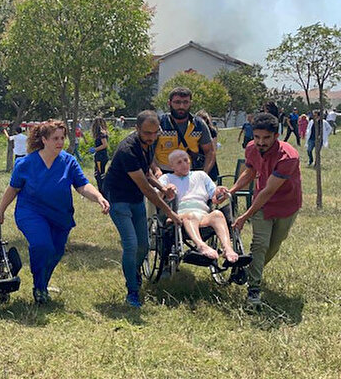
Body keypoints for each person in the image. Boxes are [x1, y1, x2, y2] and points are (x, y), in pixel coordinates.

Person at [0, 120, 109, 304]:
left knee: (55, 252)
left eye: (62, 138)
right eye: (55, 138)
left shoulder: (68, 161)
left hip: (60, 215)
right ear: (44, 140)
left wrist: (99, 197)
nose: (60, 142)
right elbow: (13, 189)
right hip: (31, 213)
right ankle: (39, 287)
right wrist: (0, 211)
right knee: (42, 245)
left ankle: (42, 284)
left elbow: (82, 185)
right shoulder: (25, 163)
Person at [104, 110, 181, 308]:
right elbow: (145, 188)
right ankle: (132, 291)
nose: (151, 137)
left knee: (144, 246)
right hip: (119, 198)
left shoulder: (150, 143)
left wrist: (162, 187)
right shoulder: (127, 150)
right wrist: (169, 212)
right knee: (130, 244)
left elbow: (145, 171)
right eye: (147, 133)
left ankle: (133, 272)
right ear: (136, 129)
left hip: (135, 198)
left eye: (155, 133)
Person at [229, 112, 302, 307]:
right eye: (257, 137)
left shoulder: (288, 156)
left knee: (273, 246)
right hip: (262, 204)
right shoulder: (251, 148)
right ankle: (253, 289)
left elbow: (269, 190)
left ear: (276, 136)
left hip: (287, 204)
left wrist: (244, 216)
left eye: (266, 138)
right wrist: (232, 190)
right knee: (260, 244)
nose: (260, 142)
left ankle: (253, 270)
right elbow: (251, 170)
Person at [158, 150, 237, 262]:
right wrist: (165, 190)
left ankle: (228, 249)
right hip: (179, 215)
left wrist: (219, 191)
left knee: (218, 214)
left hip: (203, 214)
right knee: (191, 215)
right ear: (171, 166)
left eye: (186, 160)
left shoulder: (201, 175)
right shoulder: (166, 178)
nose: (184, 164)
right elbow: (156, 196)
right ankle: (201, 246)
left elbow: (214, 198)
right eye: (179, 162)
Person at [153, 87, 215, 175]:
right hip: (162, 173)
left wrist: (204, 173)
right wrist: (156, 170)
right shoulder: (159, 123)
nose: (181, 106)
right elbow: (147, 150)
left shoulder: (199, 124)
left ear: (191, 103)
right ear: (169, 103)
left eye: (185, 102)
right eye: (177, 102)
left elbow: (210, 151)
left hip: (189, 173)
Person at [195, 110, 220, 181]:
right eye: (200, 118)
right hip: (197, 158)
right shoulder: (195, 130)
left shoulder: (212, 131)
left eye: (204, 118)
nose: (202, 120)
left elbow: (213, 149)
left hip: (207, 157)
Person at [91, 117, 109, 194]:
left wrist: (95, 149)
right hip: (100, 156)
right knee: (98, 174)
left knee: (99, 175)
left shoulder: (101, 134)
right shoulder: (102, 133)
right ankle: (102, 191)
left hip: (101, 157)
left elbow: (105, 145)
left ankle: (103, 192)